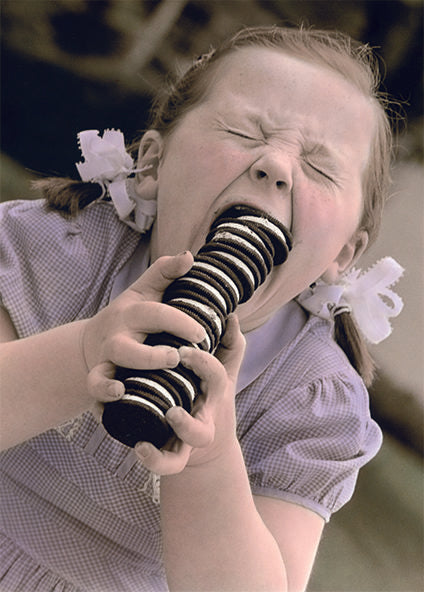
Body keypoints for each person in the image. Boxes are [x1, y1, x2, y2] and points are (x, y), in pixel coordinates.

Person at [0, 25, 404, 592]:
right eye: (244, 131)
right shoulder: (60, 252)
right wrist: (86, 352)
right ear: (151, 166)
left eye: (319, 167)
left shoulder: (310, 401)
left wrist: (209, 459)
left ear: (341, 253)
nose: (277, 167)